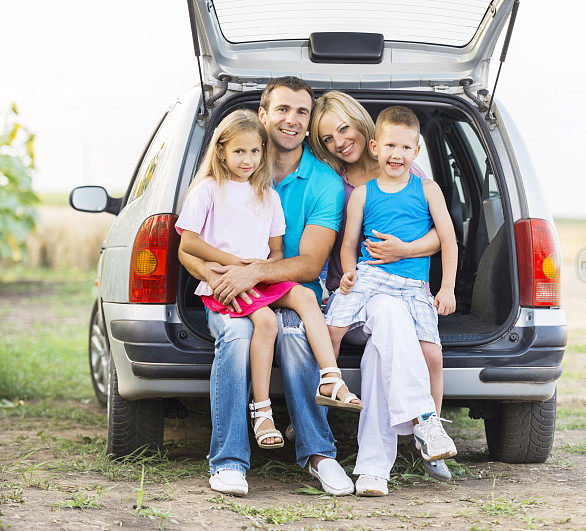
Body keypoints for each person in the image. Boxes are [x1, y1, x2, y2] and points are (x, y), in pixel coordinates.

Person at [179, 77, 355, 497]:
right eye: (282, 109)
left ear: (308, 122)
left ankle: (319, 454)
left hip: (285, 287)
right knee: (238, 334)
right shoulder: (219, 183)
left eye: (301, 112)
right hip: (226, 290)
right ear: (263, 115)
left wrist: (254, 272)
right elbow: (186, 248)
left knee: (294, 333)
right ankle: (228, 461)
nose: (291, 120)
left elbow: (310, 263)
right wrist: (214, 273)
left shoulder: (324, 182)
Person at [308, 92, 456, 487]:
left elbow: (441, 237)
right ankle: (414, 423)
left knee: (387, 347)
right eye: (326, 139)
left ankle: (389, 457)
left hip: (406, 285)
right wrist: (344, 278)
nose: (339, 142)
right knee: (349, 327)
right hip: (363, 283)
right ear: (379, 144)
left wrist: (406, 251)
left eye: (343, 128)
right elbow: (343, 245)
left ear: (363, 127)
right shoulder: (336, 182)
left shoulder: (416, 177)